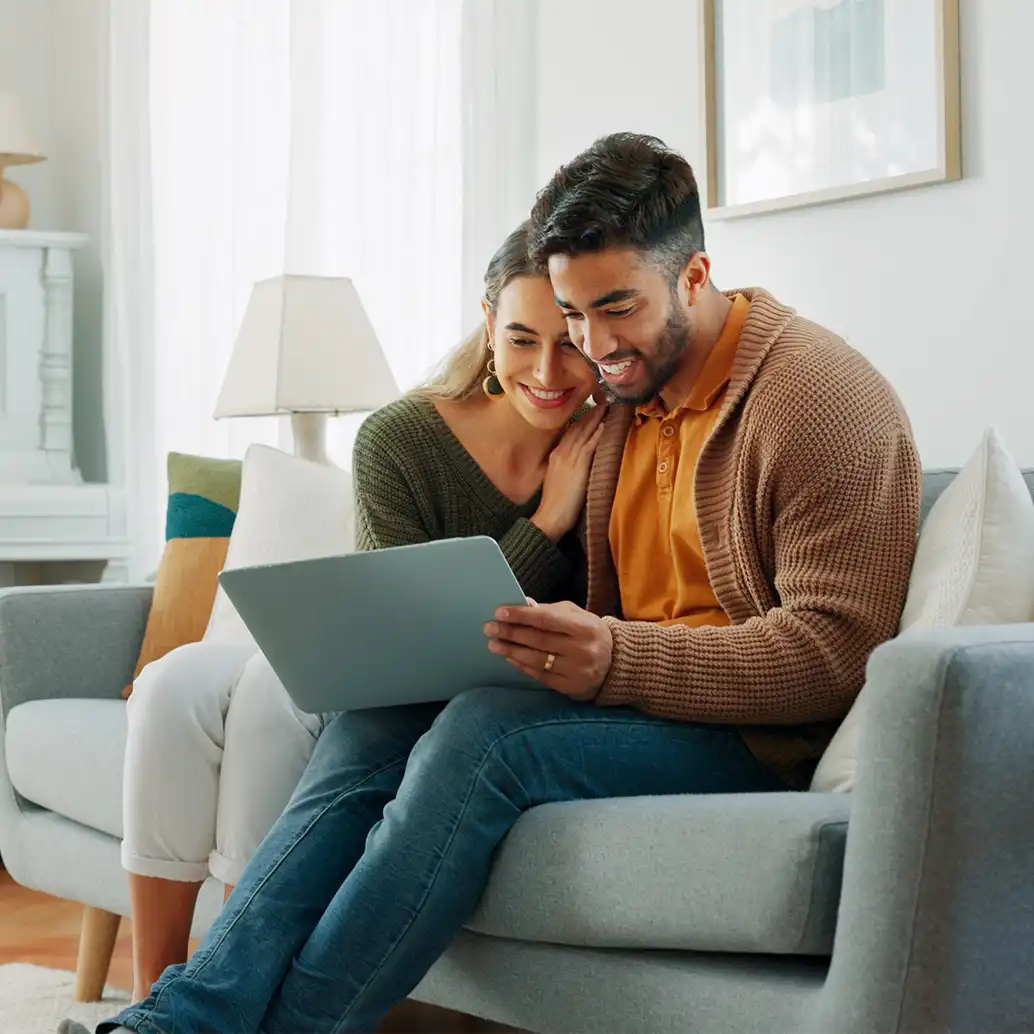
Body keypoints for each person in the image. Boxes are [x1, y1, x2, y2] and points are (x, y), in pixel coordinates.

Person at [77, 133, 921, 1034]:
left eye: (615, 310)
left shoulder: (816, 399)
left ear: (695, 274)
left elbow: (838, 654)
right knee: (381, 717)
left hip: (757, 734)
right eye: (571, 314)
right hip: (637, 702)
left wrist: (615, 657)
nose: (593, 348)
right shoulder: (625, 396)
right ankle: (179, 1020)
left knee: (487, 734)